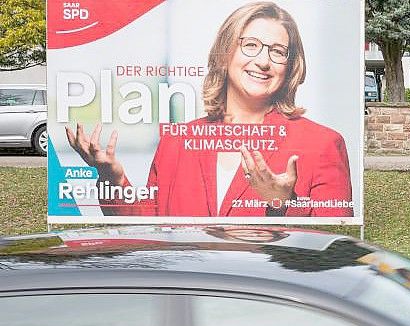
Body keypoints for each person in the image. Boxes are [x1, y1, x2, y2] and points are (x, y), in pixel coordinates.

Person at [66, 2, 353, 217]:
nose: (264, 61)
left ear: (290, 65)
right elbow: (149, 229)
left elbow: (333, 249)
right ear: (225, 53)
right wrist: (112, 178)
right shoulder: (176, 140)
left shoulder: (323, 145)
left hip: (267, 294)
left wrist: (284, 204)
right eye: (251, 45)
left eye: (278, 51)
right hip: (187, 291)